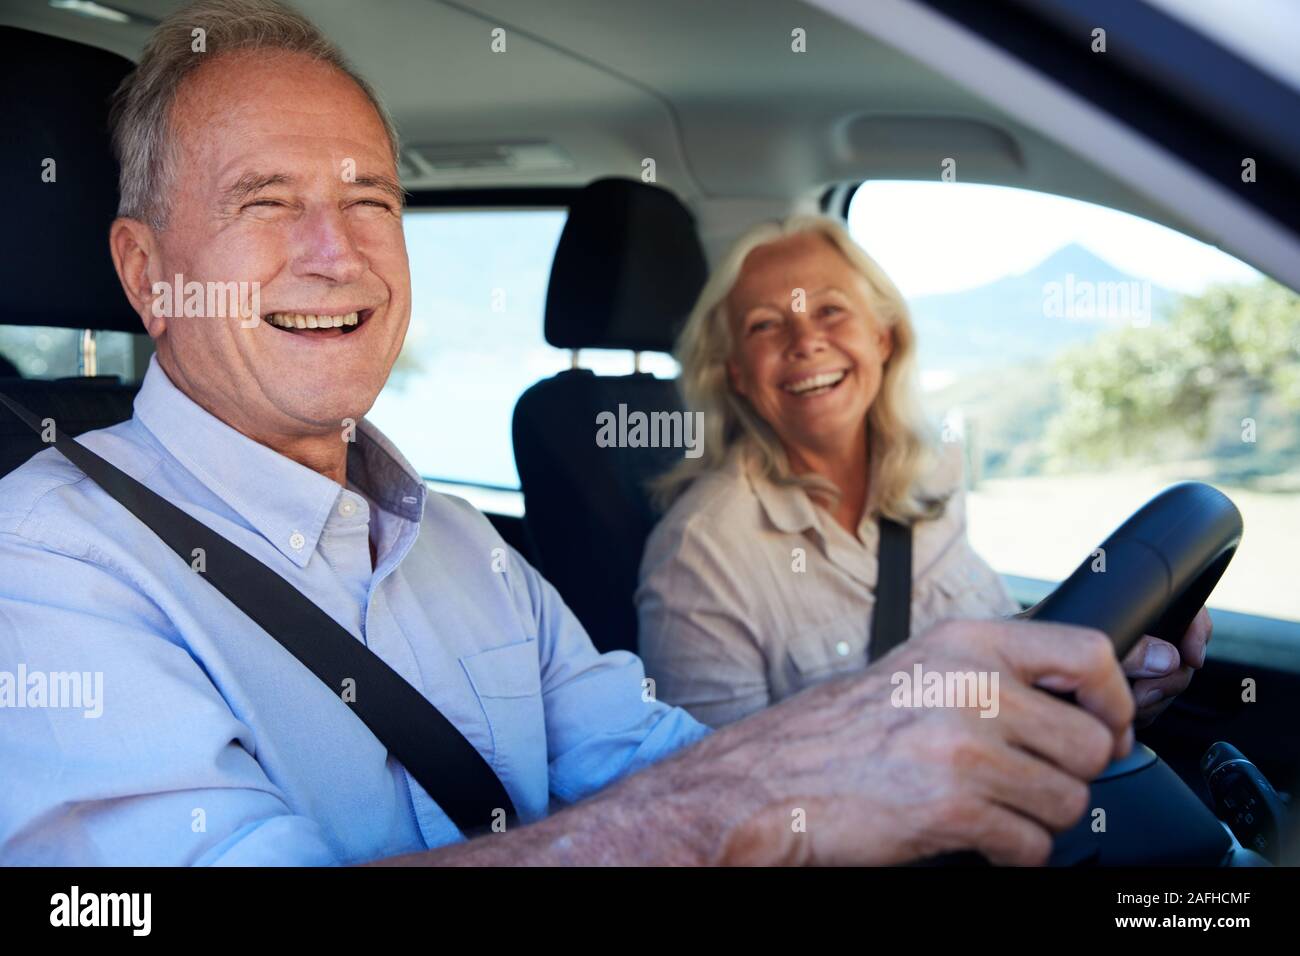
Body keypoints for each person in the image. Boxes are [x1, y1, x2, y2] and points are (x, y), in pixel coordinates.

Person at [0, 0, 1136, 867]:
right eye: (265, 201)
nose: (336, 252)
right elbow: (700, 798)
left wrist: (1007, 715)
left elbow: (654, 761)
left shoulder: (461, 545)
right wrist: (717, 808)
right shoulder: (44, 566)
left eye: (371, 201)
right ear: (148, 272)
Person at [637, 217, 1211, 726]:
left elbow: (998, 647)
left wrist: (1104, 681)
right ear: (737, 372)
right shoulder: (699, 554)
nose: (806, 340)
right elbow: (720, 806)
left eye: (831, 311)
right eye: (765, 324)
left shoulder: (933, 474)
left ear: (882, 338)